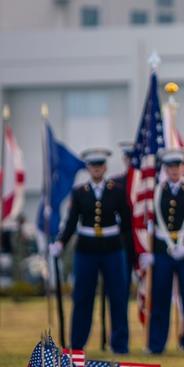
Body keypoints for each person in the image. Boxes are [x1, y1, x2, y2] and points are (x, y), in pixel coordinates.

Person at [49, 148, 132, 354]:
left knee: (118, 296)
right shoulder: (79, 192)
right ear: (88, 168)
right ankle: (77, 344)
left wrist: (119, 239)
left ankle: (119, 343)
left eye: (100, 165)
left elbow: (126, 220)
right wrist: (61, 242)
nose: (97, 168)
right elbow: (71, 222)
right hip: (86, 250)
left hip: (112, 248)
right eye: (93, 165)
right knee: (82, 297)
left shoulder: (117, 190)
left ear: (105, 167)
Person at [141, 147, 184, 355]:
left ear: (182, 167)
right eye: (170, 166)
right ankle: (156, 344)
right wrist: (148, 249)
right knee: (160, 299)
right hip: (162, 252)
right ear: (165, 169)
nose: (175, 170)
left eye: (177, 166)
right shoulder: (156, 192)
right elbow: (149, 222)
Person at [112, 140, 137, 283]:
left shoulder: (148, 183)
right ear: (124, 158)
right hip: (122, 240)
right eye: (128, 157)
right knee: (121, 284)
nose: (131, 160)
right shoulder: (116, 183)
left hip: (143, 239)